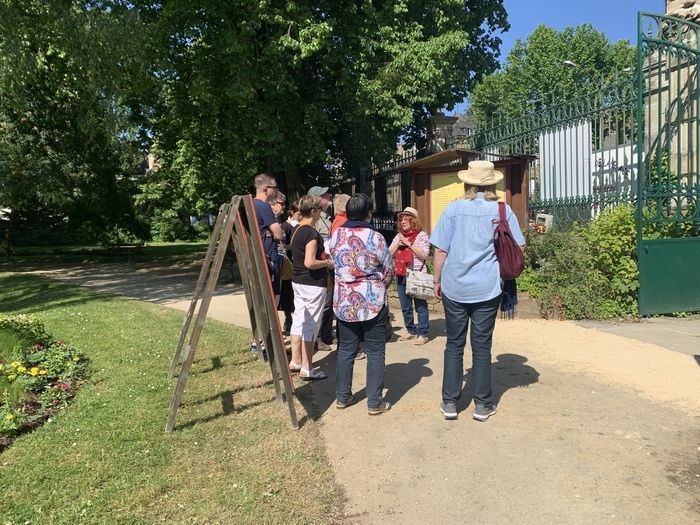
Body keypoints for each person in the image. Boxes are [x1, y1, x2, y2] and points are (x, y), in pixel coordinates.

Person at [430, 160, 525, 422]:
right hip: (487, 286)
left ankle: (450, 402)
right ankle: (483, 405)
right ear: (493, 182)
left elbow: (440, 251)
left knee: (454, 344)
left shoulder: (453, 210)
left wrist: (437, 280)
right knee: (482, 347)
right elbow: (519, 247)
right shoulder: (502, 210)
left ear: (467, 182)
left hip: (455, 286)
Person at [330, 193, 394, 415]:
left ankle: (342, 397)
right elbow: (388, 269)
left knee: (346, 349)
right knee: (376, 352)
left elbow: (335, 264)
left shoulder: (336, 235)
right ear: (369, 213)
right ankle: (375, 402)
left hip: (344, 301)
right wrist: (380, 286)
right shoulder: (375, 237)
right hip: (372, 302)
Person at [288, 195, 334, 380]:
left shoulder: (297, 229)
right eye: (319, 210)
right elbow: (310, 262)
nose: (321, 213)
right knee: (311, 324)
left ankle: (296, 360)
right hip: (312, 283)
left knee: (299, 319)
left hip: (298, 281)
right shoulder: (311, 233)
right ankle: (307, 368)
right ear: (313, 211)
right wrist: (327, 263)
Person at [251, 173, 284, 355]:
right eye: (274, 188)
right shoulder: (263, 207)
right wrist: (276, 232)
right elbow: (278, 233)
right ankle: (264, 342)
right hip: (268, 259)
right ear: (266, 189)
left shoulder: (249, 205)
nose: (276, 191)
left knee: (261, 300)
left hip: (257, 257)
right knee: (270, 300)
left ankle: (257, 341)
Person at [389, 206, 431, 346]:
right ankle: (411, 330)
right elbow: (388, 253)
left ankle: (423, 333)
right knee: (405, 306)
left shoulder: (422, 236)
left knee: (420, 306)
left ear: (413, 221)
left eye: (406, 219)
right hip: (401, 273)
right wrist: (398, 244)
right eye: (401, 220)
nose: (403, 222)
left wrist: (409, 244)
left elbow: (424, 254)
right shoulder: (399, 236)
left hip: (417, 274)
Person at [307, 186, 334, 350]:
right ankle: (317, 338)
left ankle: (326, 335)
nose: (329, 197)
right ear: (316, 199)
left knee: (328, 302)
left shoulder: (327, 217)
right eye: (325, 195)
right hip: (319, 266)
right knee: (321, 303)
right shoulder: (315, 220)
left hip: (328, 264)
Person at [279, 201, 301, 335]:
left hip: (299, 265)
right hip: (289, 264)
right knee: (288, 295)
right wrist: (293, 246)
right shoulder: (285, 226)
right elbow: (281, 246)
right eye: (299, 213)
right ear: (292, 212)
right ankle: (288, 320)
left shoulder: (301, 226)